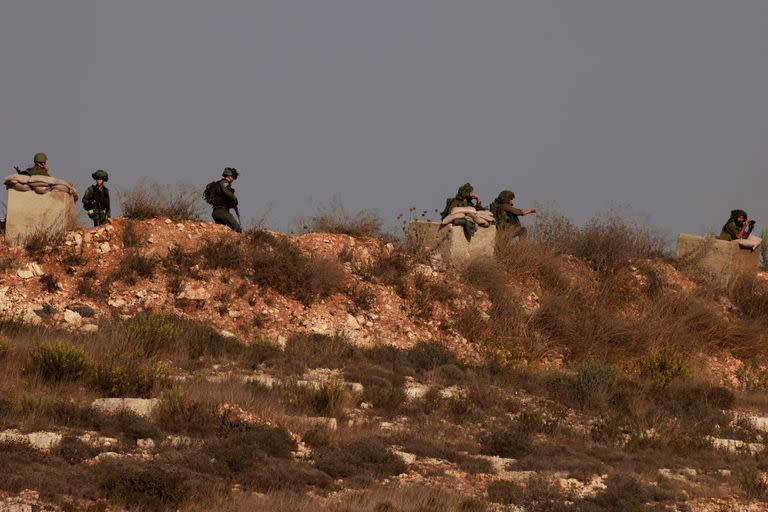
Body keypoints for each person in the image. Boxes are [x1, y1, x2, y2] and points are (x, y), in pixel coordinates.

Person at [209, 167, 242, 233]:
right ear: (229, 176)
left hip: (216, 212)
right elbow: (225, 191)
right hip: (222, 211)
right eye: (233, 176)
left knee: (220, 233)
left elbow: (223, 198)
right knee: (238, 228)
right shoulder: (224, 183)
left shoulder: (218, 184)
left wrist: (233, 205)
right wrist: (234, 198)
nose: (233, 179)